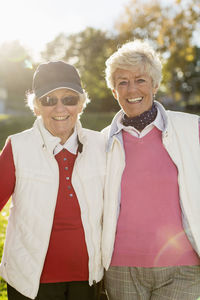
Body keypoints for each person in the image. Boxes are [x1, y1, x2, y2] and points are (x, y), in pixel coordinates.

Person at [101, 39, 200, 300]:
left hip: (184, 266)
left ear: (155, 85)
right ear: (114, 91)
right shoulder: (101, 141)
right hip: (121, 266)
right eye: (122, 82)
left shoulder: (192, 129)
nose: (132, 88)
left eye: (141, 80)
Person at [0, 61, 106, 300]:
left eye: (69, 99)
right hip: (31, 283)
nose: (60, 107)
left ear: (81, 103)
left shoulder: (102, 144)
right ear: (36, 106)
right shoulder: (17, 147)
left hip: (89, 279)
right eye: (48, 100)